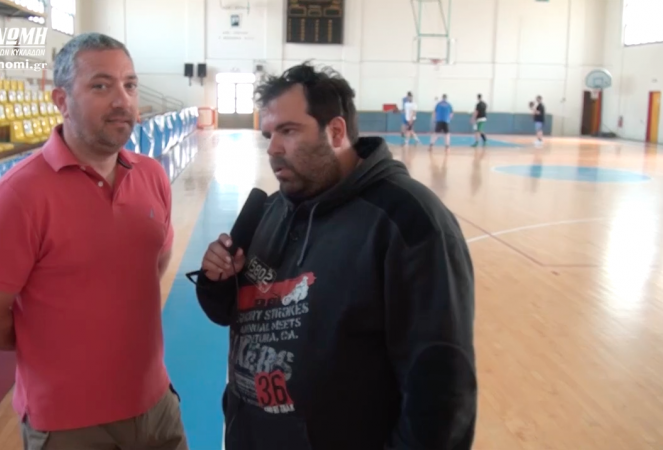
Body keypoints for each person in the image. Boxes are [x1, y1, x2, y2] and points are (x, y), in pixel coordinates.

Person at [193, 62, 476, 450]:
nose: (273, 148)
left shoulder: (408, 221)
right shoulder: (272, 209)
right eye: (270, 134)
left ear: (337, 132)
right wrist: (217, 281)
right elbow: (230, 312)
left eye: (289, 131)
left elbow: (441, 393)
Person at [0, 32, 188, 450]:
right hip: (68, 424)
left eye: (130, 85)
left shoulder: (152, 175)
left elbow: (154, 263)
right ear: (61, 100)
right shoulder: (17, 196)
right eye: (101, 86)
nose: (122, 100)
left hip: (156, 407)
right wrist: (50, 340)